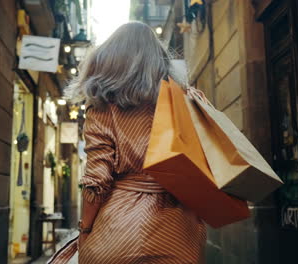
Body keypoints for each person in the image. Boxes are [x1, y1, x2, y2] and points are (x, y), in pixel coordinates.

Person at [47, 22, 206, 264]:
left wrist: (86, 229)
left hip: (117, 232)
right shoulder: (181, 101)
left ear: (110, 58)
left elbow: (96, 181)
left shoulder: (102, 106)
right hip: (179, 231)